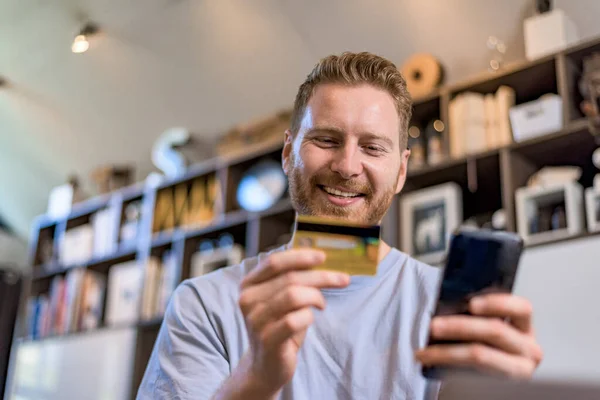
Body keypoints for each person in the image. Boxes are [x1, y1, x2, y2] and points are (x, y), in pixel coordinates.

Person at [137, 52, 543, 399]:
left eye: (372, 147)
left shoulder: (450, 312)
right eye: (327, 140)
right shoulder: (205, 304)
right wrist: (256, 380)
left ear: (400, 172)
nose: (347, 166)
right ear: (287, 153)